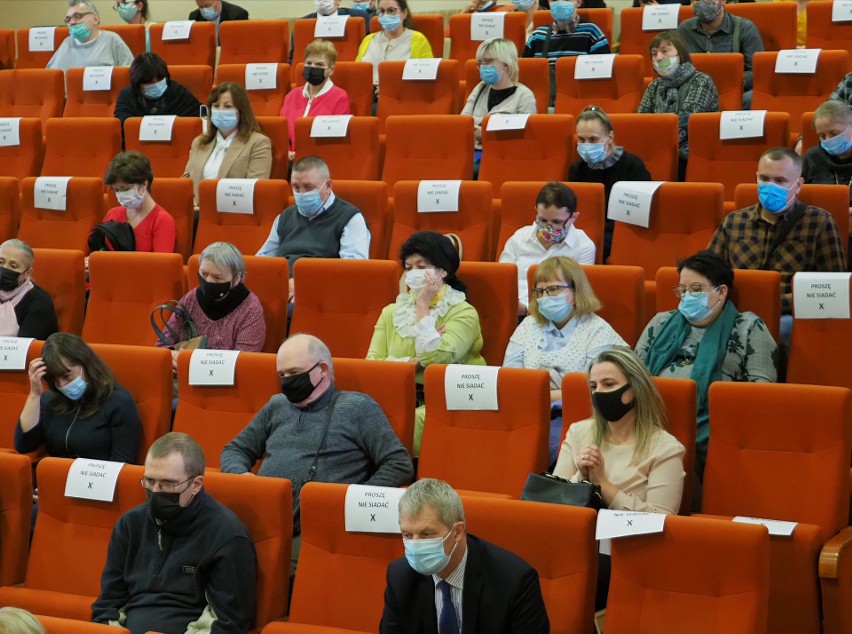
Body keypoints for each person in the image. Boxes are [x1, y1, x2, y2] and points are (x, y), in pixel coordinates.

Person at [220, 334, 413, 563]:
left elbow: (398, 463)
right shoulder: (276, 405)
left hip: (319, 528)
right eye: (282, 374)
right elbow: (235, 449)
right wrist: (242, 477)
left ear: (322, 369)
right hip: (263, 517)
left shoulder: (358, 407)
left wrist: (354, 500)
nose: (286, 381)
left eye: (294, 373)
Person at [553, 347, 685, 609]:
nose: (599, 393)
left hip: (626, 554)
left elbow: (661, 522)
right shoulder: (580, 432)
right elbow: (550, 504)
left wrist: (603, 484)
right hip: (572, 547)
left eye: (609, 384)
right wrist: (582, 474)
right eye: (594, 386)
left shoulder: (665, 448)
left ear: (633, 390)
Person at [92, 432, 257, 633]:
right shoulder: (129, 524)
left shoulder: (227, 535)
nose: (156, 491)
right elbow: (108, 604)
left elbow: (228, 622)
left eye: (167, 484)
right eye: (149, 481)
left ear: (195, 485)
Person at [635, 250, 779, 478]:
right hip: (650, 416)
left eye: (696, 289)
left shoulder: (749, 327)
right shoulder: (661, 322)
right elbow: (633, 375)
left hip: (712, 424)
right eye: (682, 290)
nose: (686, 296)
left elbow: (761, 397)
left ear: (721, 292)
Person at [707, 147, 846, 347]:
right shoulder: (734, 221)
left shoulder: (819, 222)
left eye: (780, 181)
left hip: (787, 315)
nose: (770, 186)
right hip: (736, 310)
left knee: (776, 331)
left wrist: (773, 304)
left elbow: (832, 288)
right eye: (764, 178)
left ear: (798, 185)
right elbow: (708, 272)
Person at [367, 231, 487, 455]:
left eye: (421, 267)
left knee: (415, 420)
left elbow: (437, 358)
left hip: (447, 395)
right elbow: (373, 364)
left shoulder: (462, 312)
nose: (413, 274)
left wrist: (422, 305)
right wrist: (412, 364)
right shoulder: (391, 311)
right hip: (399, 392)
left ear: (442, 270)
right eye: (408, 267)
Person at [379, 478, 550, 633]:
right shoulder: (400, 576)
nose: (415, 545)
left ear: (457, 532)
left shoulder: (514, 580)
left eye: (426, 535)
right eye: (407, 535)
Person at [504, 256, 626, 464]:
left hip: (579, 416)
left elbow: (592, 390)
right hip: (524, 411)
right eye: (540, 291)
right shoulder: (528, 325)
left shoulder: (598, 331)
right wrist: (553, 392)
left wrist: (540, 393)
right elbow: (510, 380)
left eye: (553, 289)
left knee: (533, 450)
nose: (545, 297)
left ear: (576, 291)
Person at [256, 155, 370, 307]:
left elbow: (352, 271)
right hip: (282, 289)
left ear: (328, 185)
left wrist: (304, 283)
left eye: (308, 187)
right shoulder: (285, 217)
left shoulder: (350, 218)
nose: (301, 193)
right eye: (296, 187)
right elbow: (262, 261)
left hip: (321, 295)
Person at [15, 333, 142, 463]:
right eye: (55, 380)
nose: (62, 385)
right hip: (55, 476)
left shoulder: (118, 401)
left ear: (84, 364)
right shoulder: (50, 400)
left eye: (66, 376)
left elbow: (123, 461)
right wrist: (34, 395)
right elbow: (24, 445)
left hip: (97, 479)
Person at [155, 242, 265, 372]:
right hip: (181, 377)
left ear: (237, 278)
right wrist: (170, 355)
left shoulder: (250, 308)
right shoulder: (190, 298)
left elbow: (244, 362)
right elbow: (162, 344)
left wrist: (195, 364)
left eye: (217, 277)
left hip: (225, 384)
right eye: (204, 274)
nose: (209, 281)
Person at [498, 182, 596, 317]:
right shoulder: (519, 238)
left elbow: (577, 293)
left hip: (556, 315)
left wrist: (528, 309)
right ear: (536, 212)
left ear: (573, 217)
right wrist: (516, 307)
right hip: (514, 312)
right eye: (543, 220)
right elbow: (502, 280)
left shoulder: (584, 246)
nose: (548, 228)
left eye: (556, 222)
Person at [568, 105, 651, 261]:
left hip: (621, 233)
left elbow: (637, 216)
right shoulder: (576, 169)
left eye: (593, 139)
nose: (586, 145)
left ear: (609, 138)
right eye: (581, 139)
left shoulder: (632, 166)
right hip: (584, 233)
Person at [638, 31, 718, 179]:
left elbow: (687, 121)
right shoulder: (654, 86)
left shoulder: (701, 81)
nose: (659, 57)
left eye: (665, 51)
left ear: (680, 54)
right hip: (658, 152)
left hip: (691, 153)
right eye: (654, 54)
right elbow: (641, 122)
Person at [182, 82, 272, 201]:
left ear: (241, 111)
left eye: (228, 106)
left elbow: (254, 188)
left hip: (233, 212)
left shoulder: (258, 143)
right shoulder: (199, 142)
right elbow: (187, 179)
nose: (220, 110)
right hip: (197, 211)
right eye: (216, 106)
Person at [461, 37, 537, 173]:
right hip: (472, 154)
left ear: (506, 64)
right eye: (480, 63)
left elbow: (522, 138)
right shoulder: (480, 88)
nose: (483, 67)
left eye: (488, 61)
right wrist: (494, 129)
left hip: (504, 158)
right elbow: (463, 123)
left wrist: (482, 131)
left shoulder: (524, 96)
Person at [522, 0, 611, 106]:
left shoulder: (591, 32)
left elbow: (604, 78)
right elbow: (525, 76)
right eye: (554, 0)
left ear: (578, 2)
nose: (560, 3)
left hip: (581, 101)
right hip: (546, 103)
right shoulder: (537, 36)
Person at [677, 0, 764, 108]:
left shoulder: (744, 28)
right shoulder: (684, 29)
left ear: (723, 1)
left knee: (751, 98)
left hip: (734, 91)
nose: (703, 2)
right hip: (695, 92)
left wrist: (730, 81)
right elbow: (678, 67)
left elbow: (757, 72)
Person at [281, 39, 351, 161]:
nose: (312, 68)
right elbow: (282, 132)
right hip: (289, 159)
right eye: (308, 63)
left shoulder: (340, 97)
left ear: (331, 70)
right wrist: (286, 151)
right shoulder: (292, 95)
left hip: (319, 161)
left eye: (319, 65)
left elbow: (335, 139)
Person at [802, 99, 852, 267]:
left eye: (833, 133)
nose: (828, 140)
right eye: (822, 136)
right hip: (819, 232)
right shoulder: (812, 157)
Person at [103, 151, 176, 253]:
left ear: (144, 184)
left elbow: (161, 266)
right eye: (117, 190)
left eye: (125, 189)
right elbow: (101, 252)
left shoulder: (162, 220)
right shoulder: (112, 215)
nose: (121, 194)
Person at [356, 0, 433, 91]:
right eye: (381, 11)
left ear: (404, 13)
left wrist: (388, 91)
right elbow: (357, 73)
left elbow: (426, 78)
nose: (385, 15)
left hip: (401, 97)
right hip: (367, 95)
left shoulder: (418, 39)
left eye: (391, 11)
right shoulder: (368, 40)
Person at [114, 52, 201, 127]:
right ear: (137, 83)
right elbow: (122, 126)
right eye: (149, 83)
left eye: (160, 79)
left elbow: (198, 116)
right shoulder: (127, 96)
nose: (156, 85)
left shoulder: (177, 91)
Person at [46, 1, 134, 72]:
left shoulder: (112, 40)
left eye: (77, 16)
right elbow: (50, 77)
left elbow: (130, 75)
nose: (71, 22)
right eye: (68, 19)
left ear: (95, 18)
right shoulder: (66, 42)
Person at [0, 239, 58, 340]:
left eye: (13, 266)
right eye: (1, 262)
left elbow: (25, 348)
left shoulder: (39, 302)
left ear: (27, 273)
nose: (5, 269)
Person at [289, 0, 371, 64]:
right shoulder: (302, 23)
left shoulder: (359, 17)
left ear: (338, 1)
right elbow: (294, 56)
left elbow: (367, 50)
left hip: (347, 71)